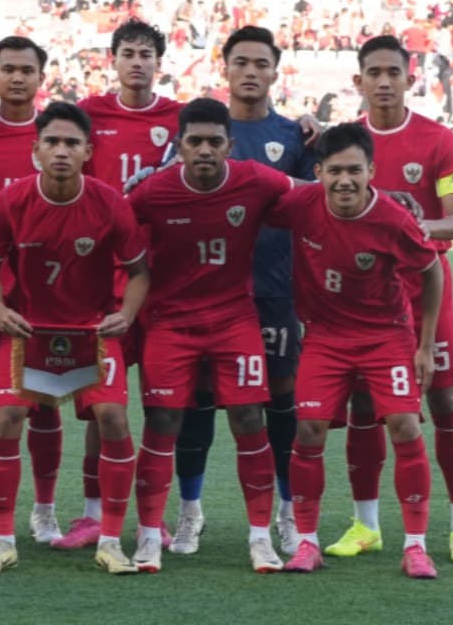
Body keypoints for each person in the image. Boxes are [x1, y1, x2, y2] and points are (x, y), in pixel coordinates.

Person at [0, 102, 150, 575]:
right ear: (35, 150)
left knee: (113, 419)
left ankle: (111, 540)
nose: (62, 151)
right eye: (52, 142)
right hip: (30, 329)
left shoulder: (111, 203)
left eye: (72, 143)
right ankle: (4, 540)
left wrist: (126, 314)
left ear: (88, 151)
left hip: (90, 331)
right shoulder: (9, 203)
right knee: (8, 417)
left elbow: (139, 273)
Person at [128, 98, 301, 574]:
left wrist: (381, 193)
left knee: (249, 418)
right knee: (163, 424)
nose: (204, 150)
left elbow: (308, 192)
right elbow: (115, 236)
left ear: (229, 146)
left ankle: (261, 538)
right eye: (195, 141)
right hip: (170, 323)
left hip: (233, 321)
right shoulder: (153, 193)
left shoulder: (253, 178)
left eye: (214, 142)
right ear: (178, 145)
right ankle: (149, 536)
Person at [327, 34, 453, 564]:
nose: (384, 81)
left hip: (426, 287)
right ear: (359, 81)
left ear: (411, 78)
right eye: (374, 72)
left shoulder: (438, 141)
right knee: (365, 406)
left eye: (394, 71)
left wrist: (409, 225)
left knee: (442, 401)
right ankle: (365, 524)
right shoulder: (342, 144)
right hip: (364, 296)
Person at [166, 27, 317, 558]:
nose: (251, 71)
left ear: (276, 71)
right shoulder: (197, 128)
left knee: (278, 403)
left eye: (261, 63)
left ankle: (286, 512)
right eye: (241, 62)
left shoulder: (297, 137)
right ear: (225, 68)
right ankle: (190, 513)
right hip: (203, 294)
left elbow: (313, 206)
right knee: (197, 401)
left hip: (274, 291)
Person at [268, 122, 443, 579]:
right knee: (308, 431)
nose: (344, 180)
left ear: (371, 171)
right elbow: (253, 199)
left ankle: (416, 546)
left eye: (355, 170)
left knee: (405, 426)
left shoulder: (392, 218)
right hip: (325, 336)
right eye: (334, 171)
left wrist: (425, 348)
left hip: (386, 335)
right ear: (319, 172)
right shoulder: (300, 204)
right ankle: (306, 543)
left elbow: (431, 271)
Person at [48, 19, 182, 550]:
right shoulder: (88, 115)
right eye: (128, 52)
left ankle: (153, 517)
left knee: (160, 404)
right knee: (100, 404)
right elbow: (36, 135)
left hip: (163, 279)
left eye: (146, 54)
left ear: (159, 62)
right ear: (113, 59)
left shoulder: (178, 119)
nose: (137, 62)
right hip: (100, 279)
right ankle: (90, 514)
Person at [0, 36, 66, 544]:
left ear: (42, 77)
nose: (18, 77)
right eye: (8, 69)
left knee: (44, 400)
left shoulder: (59, 131)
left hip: (47, 288)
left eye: (27, 69)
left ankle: (44, 511)